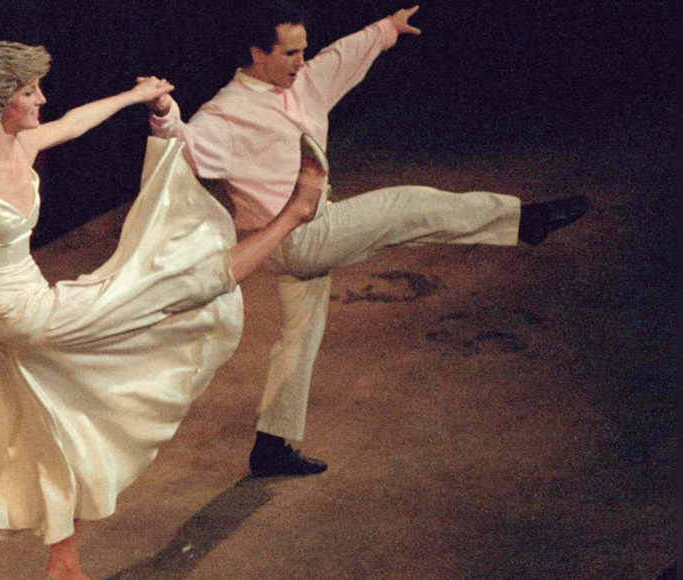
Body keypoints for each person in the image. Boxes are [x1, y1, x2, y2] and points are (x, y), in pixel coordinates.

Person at [0, 41, 327, 580]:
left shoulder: (24, 144)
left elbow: (76, 122)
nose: (41, 100)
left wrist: (135, 96)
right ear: (2, 99)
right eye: (29, 92)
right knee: (173, 280)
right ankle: (294, 214)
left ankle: (63, 564)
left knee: (54, 429)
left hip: (33, 305)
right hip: (21, 313)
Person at [146, 3, 589, 477]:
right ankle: (524, 221)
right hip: (295, 237)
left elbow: (344, 54)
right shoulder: (228, 111)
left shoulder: (305, 82)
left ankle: (271, 446)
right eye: (289, 53)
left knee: (300, 337)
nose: (300, 61)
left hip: (300, 234)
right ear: (258, 53)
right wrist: (164, 113)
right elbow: (186, 146)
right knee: (405, 206)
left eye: (303, 50)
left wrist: (387, 28)